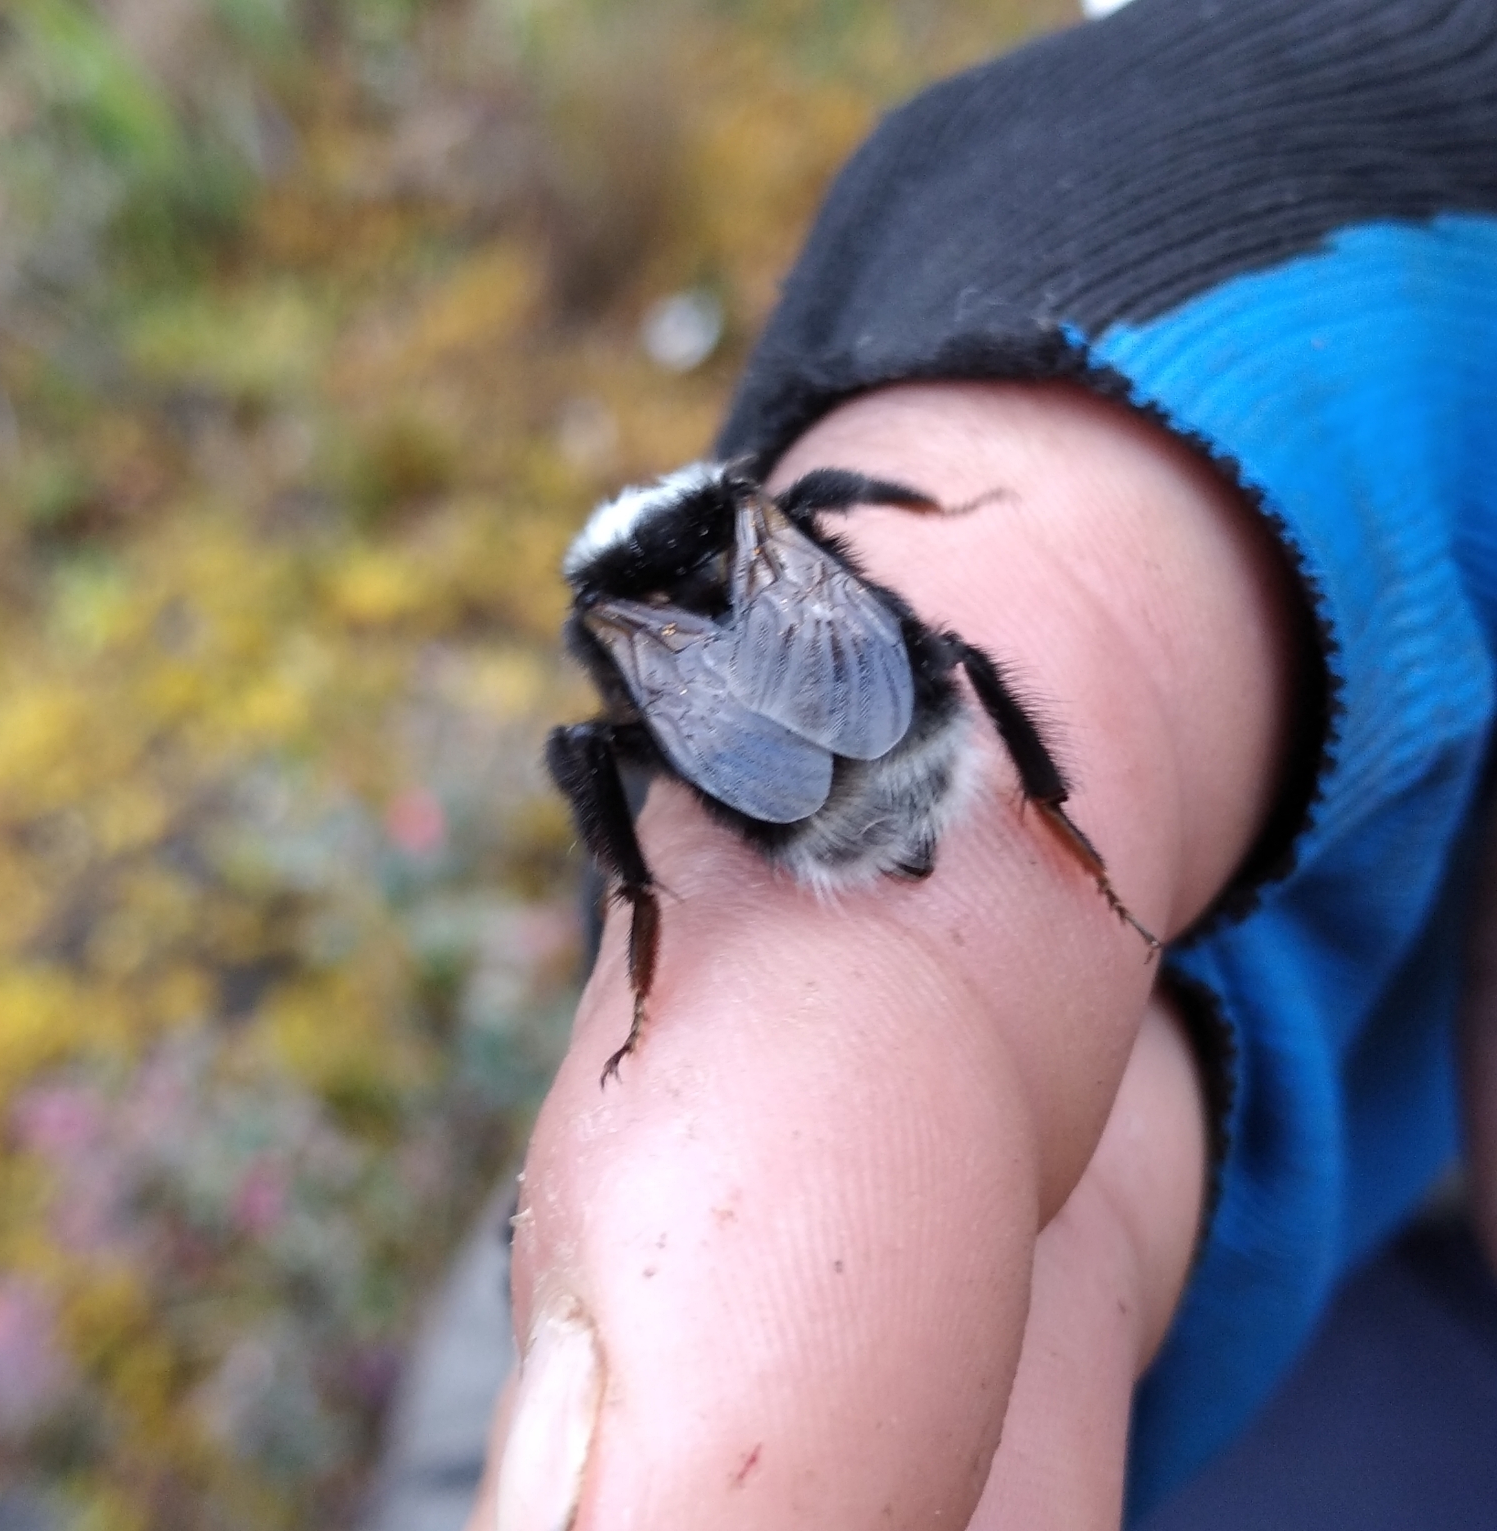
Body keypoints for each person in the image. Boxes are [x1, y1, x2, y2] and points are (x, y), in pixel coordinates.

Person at [456, 0, 1497, 1525]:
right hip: (916, 767)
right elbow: (858, 539)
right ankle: (1055, 847)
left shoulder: (619, 634)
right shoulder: (772, 524)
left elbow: (641, 748)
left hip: (821, 834)